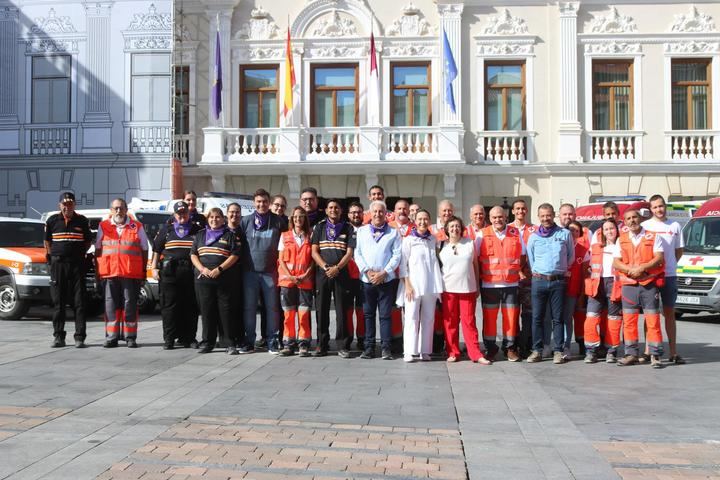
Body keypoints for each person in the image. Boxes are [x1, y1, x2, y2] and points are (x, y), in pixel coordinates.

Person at [613, 209, 665, 368]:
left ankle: (655, 355)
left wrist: (642, 268)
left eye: (634, 217)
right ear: (625, 221)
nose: (632, 221)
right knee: (628, 321)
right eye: (628, 218)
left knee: (653, 320)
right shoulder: (621, 239)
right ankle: (631, 354)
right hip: (629, 285)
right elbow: (616, 262)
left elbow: (659, 258)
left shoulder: (653, 236)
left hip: (648, 284)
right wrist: (630, 270)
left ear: (640, 218)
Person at [95, 198, 149, 348]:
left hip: (130, 273)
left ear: (126, 209)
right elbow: (98, 250)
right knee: (110, 305)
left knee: (130, 305)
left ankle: (130, 337)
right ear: (111, 210)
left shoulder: (137, 226)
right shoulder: (103, 226)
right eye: (116, 208)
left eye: (121, 208)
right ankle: (111, 337)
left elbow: (144, 249)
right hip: (109, 272)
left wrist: (144, 270)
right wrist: (97, 271)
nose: (119, 211)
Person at [526, 203, 574, 364]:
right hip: (539, 281)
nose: (546, 218)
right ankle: (537, 350)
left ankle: (558, 351)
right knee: (537, 318)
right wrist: (540, 272)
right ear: (538, 217)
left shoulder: (565, 234)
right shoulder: (533, 237)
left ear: (553, 215)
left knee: (558, 318)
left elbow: (570, 257)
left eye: (548, 215)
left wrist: (558, 270)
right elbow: (530, 260)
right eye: (542, 216)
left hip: (558, 281)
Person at [478, 206, 527, 362]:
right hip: (489, 285)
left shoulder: (515, 234)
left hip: (511, 285)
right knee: (489, 319)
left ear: (506, 217)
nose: (497, 220)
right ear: (489, 218)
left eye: (500, 217)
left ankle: (510, 348)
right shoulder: (482, 234)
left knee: (511, 318)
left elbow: (523, 256)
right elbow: (476, 259)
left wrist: (516, 271)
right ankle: (490, 348)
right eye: (494, 217)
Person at [438, 216, 489, 364]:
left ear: (462, 228)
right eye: (452, 226)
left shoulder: (470, 243)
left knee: (469, 322)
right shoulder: (441, 246)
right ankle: (453, 352)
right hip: (448, 289)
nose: (455, 229)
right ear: (447, 229)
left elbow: (475, 266)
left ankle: (475, 353)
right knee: (450, 323)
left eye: (457, 226)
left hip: (467, 288)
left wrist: (478, 285)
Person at [151, 201, 202, 350]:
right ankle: (169, 339)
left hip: (190, 273)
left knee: (190, 307)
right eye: (179, 213)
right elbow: (156, 250)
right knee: (169, 307)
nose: (182, 216)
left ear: (188, 213)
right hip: (169, 274)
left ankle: (189, 338)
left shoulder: (197, 230)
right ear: (174, 215)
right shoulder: (166, 230)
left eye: (184, 213)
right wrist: (154, 268)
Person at [238, 189, 284, 354]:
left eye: (264, 201)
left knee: (272, 308)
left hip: (271, 272)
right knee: (249, 308)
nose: (261, 204)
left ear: (269, 202)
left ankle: (273, 341)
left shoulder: (279, 222)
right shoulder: (245, 222)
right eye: (258, 201)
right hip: (249, 272)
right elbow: (239, 246)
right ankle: (249, 341)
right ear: (254, 203)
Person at [354, 200, 401, 360]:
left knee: (385, 315)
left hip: (386, 280)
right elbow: (357, 253)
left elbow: (397, 255)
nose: (378, 214)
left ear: (386, 213)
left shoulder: (393, 232)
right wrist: (367, 271)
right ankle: (369, 348)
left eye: (381, 211)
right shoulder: (361, 231)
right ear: (370, 213)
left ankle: (386, 348)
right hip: (367, 280)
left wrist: (384, 272)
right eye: (375, 211)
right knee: (368, 315)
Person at [44, 192, 92, 348]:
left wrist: (77, 254)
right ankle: (58, 337)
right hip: (59, 265)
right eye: (64, 204)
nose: (67, 207)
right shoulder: (52, 221)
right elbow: (47, 242)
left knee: (79, 302)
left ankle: (80, 337)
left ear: (75, 205)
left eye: (70, 204)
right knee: (59, 302)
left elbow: (87, 242)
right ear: (60, 205)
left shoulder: (82, 221)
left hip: (77, 265)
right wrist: (54, 257)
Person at [190, 208, 241, 354]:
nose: (214, 220)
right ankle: (208, 342)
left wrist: (219, 269)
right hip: (204, 280)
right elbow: (193, 254)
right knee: (207, 312)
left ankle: (230, 343)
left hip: (224, 279)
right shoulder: (200, 235)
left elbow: (235, 255)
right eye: (211, 217)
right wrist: (202, 269)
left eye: (217, 217)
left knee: (226, 312)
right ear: (208, 219)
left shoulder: (229, 235)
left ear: (223, 219)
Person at [642, 194, 685, 364]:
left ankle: (673, 352)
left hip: (669, 275)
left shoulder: (675, 225)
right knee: (650, 315)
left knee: (669, 314)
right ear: (650, 209)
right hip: (650, 276)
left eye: (661, 206)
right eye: (655, 207)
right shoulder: (645, 226)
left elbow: (678, 251)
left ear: (665, 206)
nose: (659, 210)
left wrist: (669, 265)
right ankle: (647, 350)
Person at [311, 199, 355, 357]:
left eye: (336, 207)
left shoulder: (348, 227)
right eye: (330, 207)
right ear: (326, 210)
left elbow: (349, 252)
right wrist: (325, 267)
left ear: (341, 210)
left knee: (341, 310)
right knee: (321, 309)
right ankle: (322, 344)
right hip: (323, 273)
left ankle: (342, 345)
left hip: (341, 273)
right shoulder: (320, 227)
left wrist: (337, 268)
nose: (333, 210)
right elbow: (314, 251)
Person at [398, 209, 443, 363]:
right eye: (420, 219)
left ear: (429, 221)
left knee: (429, 318)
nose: (423, 222)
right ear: (415, 221)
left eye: (426, 219)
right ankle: (409, 351)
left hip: (430, 284)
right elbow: (403, 264)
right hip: (413, 285)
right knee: (411, 317)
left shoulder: (433, 239)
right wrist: (407, 285)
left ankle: (425, 350)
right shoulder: (408, 240)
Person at [584, 219, 622, 363]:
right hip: (597, 284)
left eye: (611, 228)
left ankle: (611, 350)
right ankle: (591, 351)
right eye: (606, 229)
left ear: (616, 230)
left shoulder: (622, 246)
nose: (609, 231)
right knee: (591, 317)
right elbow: (588, 264)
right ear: (602, 232)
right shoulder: (595, 246)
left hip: (614, 284)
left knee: (614, 319)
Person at [278, 207, 314, 356]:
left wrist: (306, 274)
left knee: (303, 313)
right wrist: (290, 276)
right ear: (291, 219)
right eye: (295, 217)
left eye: (301, 216)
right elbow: (281, 259)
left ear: (305, 219)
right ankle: (288, 343)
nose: (298, 219)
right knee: (288, 313)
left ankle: (303, 343)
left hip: (305, 281)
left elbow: (313, 259)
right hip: (288, 281)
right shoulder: (284, 236)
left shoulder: (310, 236)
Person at [561, 221, 590, 360]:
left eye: (576, 231)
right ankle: (556, 345)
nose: (573, 233)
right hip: (558, 289)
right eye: (571, 230)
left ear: (580, 234)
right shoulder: (560, 247)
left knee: (568, 319)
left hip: (574, 291)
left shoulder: (583, 251)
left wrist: (582, 294)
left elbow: (585, 275)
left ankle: (566, 346)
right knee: (556, 319)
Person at [511, 199, 536, 357]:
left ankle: (526, 345)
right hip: (511, 279)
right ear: (512, 211)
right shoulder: (507, 229)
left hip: (529, 279)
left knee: (528, 314)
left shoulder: (534, 229)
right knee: (512, 314)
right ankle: (513, 345)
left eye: (523, 208)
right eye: (517, 209)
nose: (520, 211)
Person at [346, 201, 366, 351]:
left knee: (361, 309)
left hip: (362, 275)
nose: (356, 214)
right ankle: (347, 338)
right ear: (348, 215)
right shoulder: (343, 230)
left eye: (358, 212)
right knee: (347, 309)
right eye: (353, 212)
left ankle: (362, 338)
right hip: (346, 276)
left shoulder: (368, 230)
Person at [226, 202, 245, 348]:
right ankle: (225, 337)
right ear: (227, 214)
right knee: (226, 308)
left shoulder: (243, 230)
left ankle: (239, 337)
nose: (234, 215)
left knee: (240, 307)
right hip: (225, 274)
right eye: (232, 212)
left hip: (241, 273)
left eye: (237, 212)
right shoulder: (221, 231)